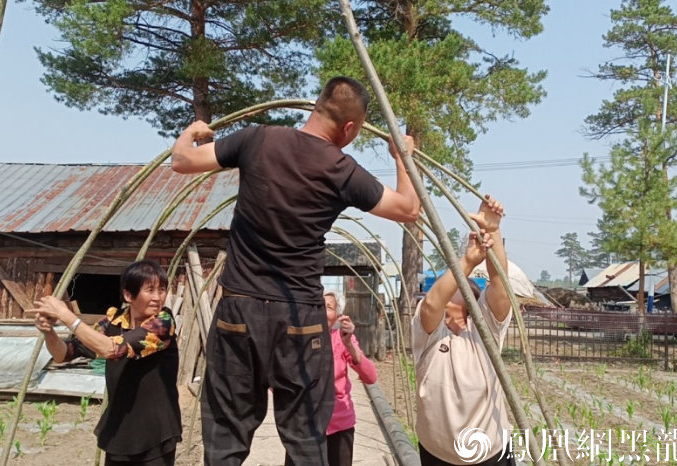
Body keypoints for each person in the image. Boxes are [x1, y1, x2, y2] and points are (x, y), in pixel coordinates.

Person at [171, 76, 420, 466]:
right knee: (306, 442)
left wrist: (190, 133)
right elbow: (409, 209)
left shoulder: (258, 139)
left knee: (225, 441)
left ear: (316, 107)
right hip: (299, 316)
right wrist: (403, 157)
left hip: (240, 308)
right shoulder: (342, 169)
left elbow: (182, 161)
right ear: (350, 128)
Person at [27, 260, 181, 466]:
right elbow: (64, 354)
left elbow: (112, 349)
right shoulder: (112, 322)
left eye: (161, 289)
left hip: (155, 430)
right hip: (119, 429)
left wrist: (66, 315)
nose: (157, 297)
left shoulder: (163, 323)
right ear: (128, 295)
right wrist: (49, 332)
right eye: (150, 290)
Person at [411, 195, 515, 466]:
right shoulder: (429, 334)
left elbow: (500, 287)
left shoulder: (485, 331)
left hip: (490, 453)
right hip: (438, 453)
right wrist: (467, 261)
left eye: (465, 283)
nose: (459, 283)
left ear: (475, 300)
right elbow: (433, 303)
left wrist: (493, 230)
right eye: (456, 281)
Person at [284, 289, 377, 466]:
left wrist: (348, 344)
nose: (321, 310)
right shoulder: (297, 339)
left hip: (338, 424)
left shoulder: (342, 340)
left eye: (328, 307)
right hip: (303, 425)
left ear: (337, 316)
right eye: (317, 305)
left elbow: (371, 377)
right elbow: (278, 381)